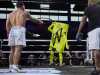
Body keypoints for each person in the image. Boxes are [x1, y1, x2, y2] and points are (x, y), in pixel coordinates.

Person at [6, 2, 43, 72]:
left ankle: (10, 67)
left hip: (12, 30)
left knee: (12, 50)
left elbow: (7, 25)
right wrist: (39, 21)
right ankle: (15, 66)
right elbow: (32, 19)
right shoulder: (25, 12)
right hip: (19, 30)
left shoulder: (10, 14)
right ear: (22, 6)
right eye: (24, 6)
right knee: (18, 49)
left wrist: (8, 34)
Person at [76, 0, 100, 75]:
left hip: (94, 30)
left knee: (96, 49)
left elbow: (83, 21)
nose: (87, 3)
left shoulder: (88, 8)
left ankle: (98, 69)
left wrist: (78, 32)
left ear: (91, 2)